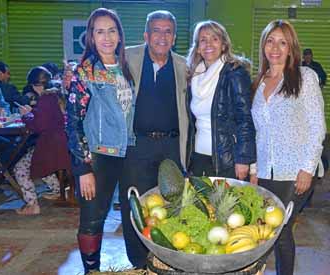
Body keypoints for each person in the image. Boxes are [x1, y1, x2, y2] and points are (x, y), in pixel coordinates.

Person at [250, 20, 326, 275]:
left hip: (296, 170)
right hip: (266, 171)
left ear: (291, 47)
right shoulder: (260, 82)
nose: (275, 48)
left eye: (283, 42)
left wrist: (306, 169)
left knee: (281, 228)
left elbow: (317, 127)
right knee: (264, 228)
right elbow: (257, 131)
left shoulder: (305, 77)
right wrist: (253, 169)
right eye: (270, 41)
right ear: (263, 46)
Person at [66, 8, 135, 274]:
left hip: (129, 153)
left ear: (119, 34)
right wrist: (83, 169)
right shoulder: (85, 73)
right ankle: (91, 270)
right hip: (98, 156)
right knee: (93, 219)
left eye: (111, 30)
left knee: (135, 213)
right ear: (91, 38)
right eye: (99, 31)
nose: (106, 37)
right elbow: (72, 124)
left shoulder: (128, 68)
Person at [120, 10, 188, 268]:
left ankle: (166, 260)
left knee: (172, 205)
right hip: (137, 146)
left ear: (174, 37)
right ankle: (138, 263)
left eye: (168, 31)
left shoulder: (184, 65)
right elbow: (98, 66)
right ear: (146, 35)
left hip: (172, 146)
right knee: (134, 204)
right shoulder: (128, 57)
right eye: (156, 30)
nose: (162, 36)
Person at [186, 20, 256, 180]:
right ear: (197, 47)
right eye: (203, 40)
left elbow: (245, 119)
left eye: (215, 39)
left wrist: (244, 160)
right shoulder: (194, 76)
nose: (208, 44)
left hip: (226, 159)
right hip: (197, 157)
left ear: (223, 45)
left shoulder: (235, 73)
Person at [13, 66, 71, 215]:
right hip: (61, 143)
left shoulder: (45, 99)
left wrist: (26, 116)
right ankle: (58, 190)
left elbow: (39, 126)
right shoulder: (56, 95)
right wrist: (33, 112)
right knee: (41, 165)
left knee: (20, 169)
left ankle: (32, 204)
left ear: (36, 85)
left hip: (50, 145)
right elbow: (49, 118)